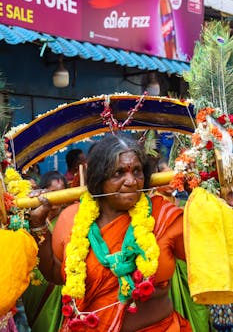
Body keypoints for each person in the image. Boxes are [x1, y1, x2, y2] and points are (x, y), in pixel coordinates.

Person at [28, 134, 197, 331]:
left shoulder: (162, 217)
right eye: (119, 173)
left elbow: (206, 256)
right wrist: (38, 224)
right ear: (99, 178)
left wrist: (199, 195)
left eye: (137, 171)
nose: (131, 181)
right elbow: (57, 275)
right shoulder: (71, 219)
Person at [23, 171, 68, 332]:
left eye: (61, 192)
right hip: (35, 281)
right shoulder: (26, 217)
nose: (57, 198)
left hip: (56, 285)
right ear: (42, 192)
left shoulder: (68, 219)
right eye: (52, 192)